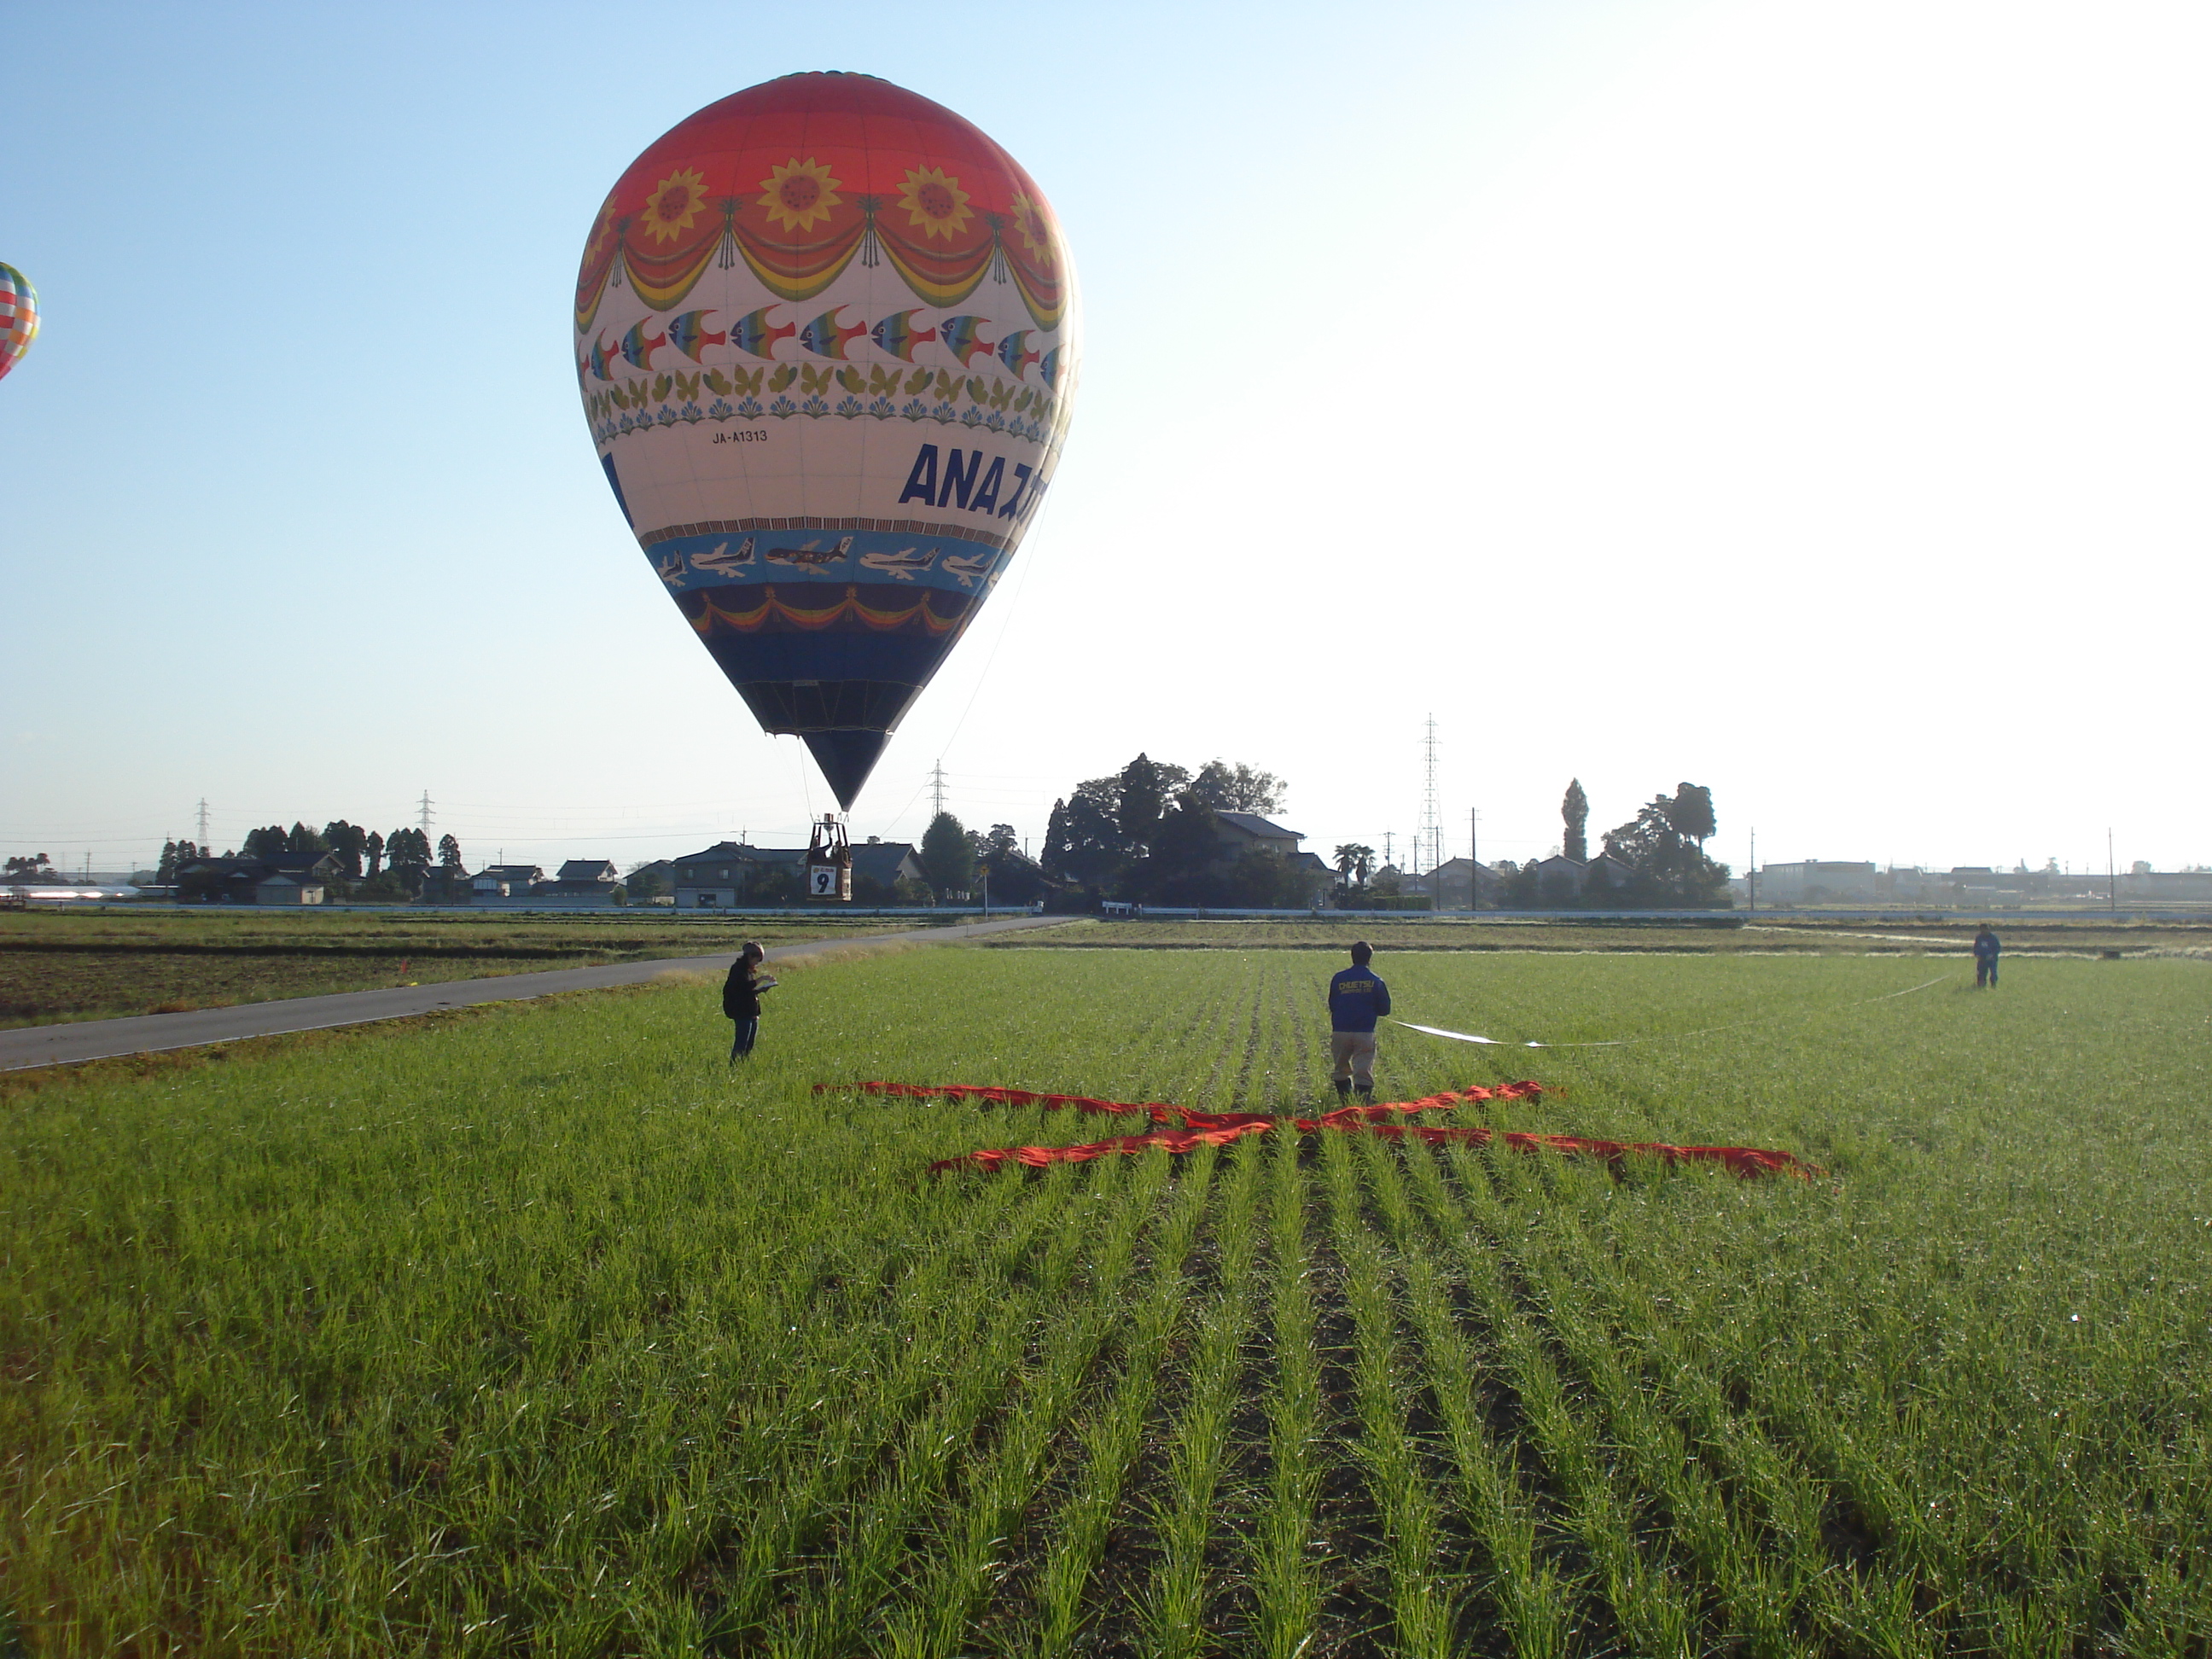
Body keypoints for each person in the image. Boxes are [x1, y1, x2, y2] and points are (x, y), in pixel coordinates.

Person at [1326, 940, 1391, 1102]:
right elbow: (1385, 1010)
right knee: (1363, 1069)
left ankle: (1345, 1101)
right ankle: (1362, 1103)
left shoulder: (1338, 978)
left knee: (1340, 1068)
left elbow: (1332, 1005)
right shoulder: (1375, 981)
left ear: (1352, 957)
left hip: (1340, 1031)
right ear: (1370, 958)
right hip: (1364, 1032)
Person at [722, 941, 777, 1059]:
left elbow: (747, 991)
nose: (757, 963)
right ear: (750, 956)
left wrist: (761, 990)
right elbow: (744, 988)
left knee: (749, 1046)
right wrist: (761, 979)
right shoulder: (738, 970)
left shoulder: (747, 970)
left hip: (752, 1011)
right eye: (757, 959)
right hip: (742, 1012)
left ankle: (743, 1066)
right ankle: (734, 1066)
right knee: (741, 1045)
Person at [1973, 924, 2000, 989]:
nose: (1983, 932)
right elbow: (1975, 948)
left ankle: (1993, 986)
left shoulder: (1993, 938)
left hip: (1992, 960)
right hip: (1982, 959)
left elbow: (1998, 948)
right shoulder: (1979, 938)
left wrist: (1992, 955)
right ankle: (1981, 987)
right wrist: (1977, 954)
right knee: (1981, 974)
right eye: (1981, 930)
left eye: (1985, 930)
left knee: (1993, 974)